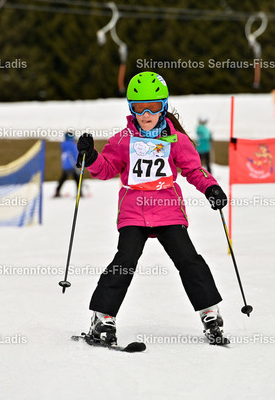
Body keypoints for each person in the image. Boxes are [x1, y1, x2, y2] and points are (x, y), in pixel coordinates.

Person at [76, 71, 230, 345]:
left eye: (153, 107)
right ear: (131, 109)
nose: (146, 114)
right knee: (125, 260)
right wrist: (91, 157)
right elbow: (106, 169)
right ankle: (103, 317)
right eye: (139, 108)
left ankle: (210, 313)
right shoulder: (123, 140)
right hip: (133, 211)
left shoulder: (176, 140)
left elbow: (194, 170)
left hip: (168, 209)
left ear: (164, 106)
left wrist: (211, 188)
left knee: (188, 259)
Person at [54, 131, 80, 197]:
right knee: (78, 179)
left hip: (65, 165)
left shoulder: (63, 144)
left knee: (63, 178)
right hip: (72, 165)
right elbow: (75, 155)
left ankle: (57, 191)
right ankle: (79, 192)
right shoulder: (72, 145)